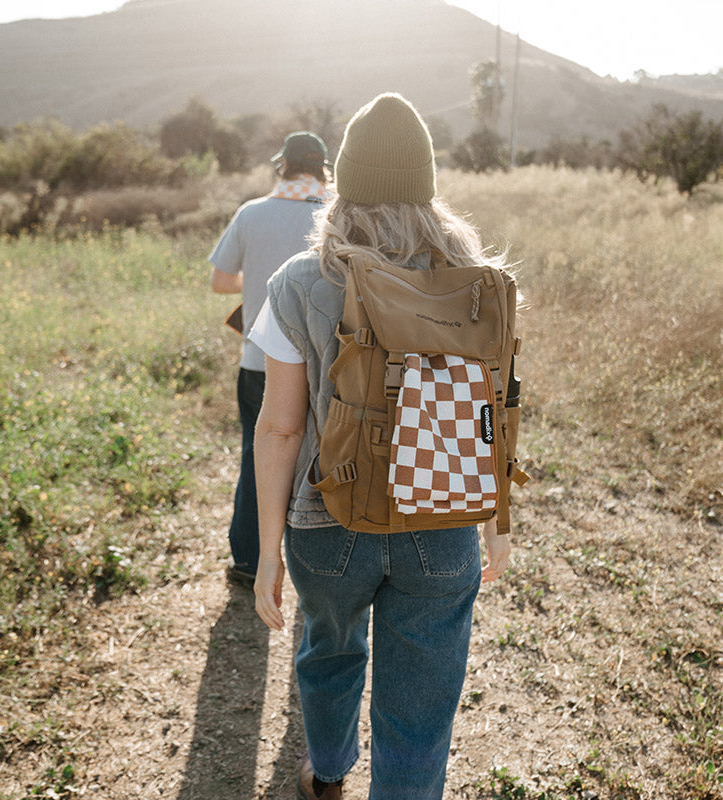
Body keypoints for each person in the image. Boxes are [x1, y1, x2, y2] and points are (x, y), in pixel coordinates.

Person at [249, 94, 514, 800]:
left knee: (330, 650)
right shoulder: (482, 287)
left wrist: (267, 549)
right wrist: (497, 526)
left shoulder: (299, 283)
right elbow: (493, 416)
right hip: (444, 518)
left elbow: (278, 427)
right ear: (427, 189)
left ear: (346, 188)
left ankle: (329, 768)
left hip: (326, 520)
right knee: (422, 704)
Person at [209, 130, 332, 588]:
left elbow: (221, 283)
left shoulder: (252, 213)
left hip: (260, 363)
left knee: (255, 455)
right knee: (322, 460)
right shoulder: (338, 216)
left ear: (282, 166)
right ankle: (315, 564)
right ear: (323, 168)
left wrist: (259, 271)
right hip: (324, 365)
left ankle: (248, 562)